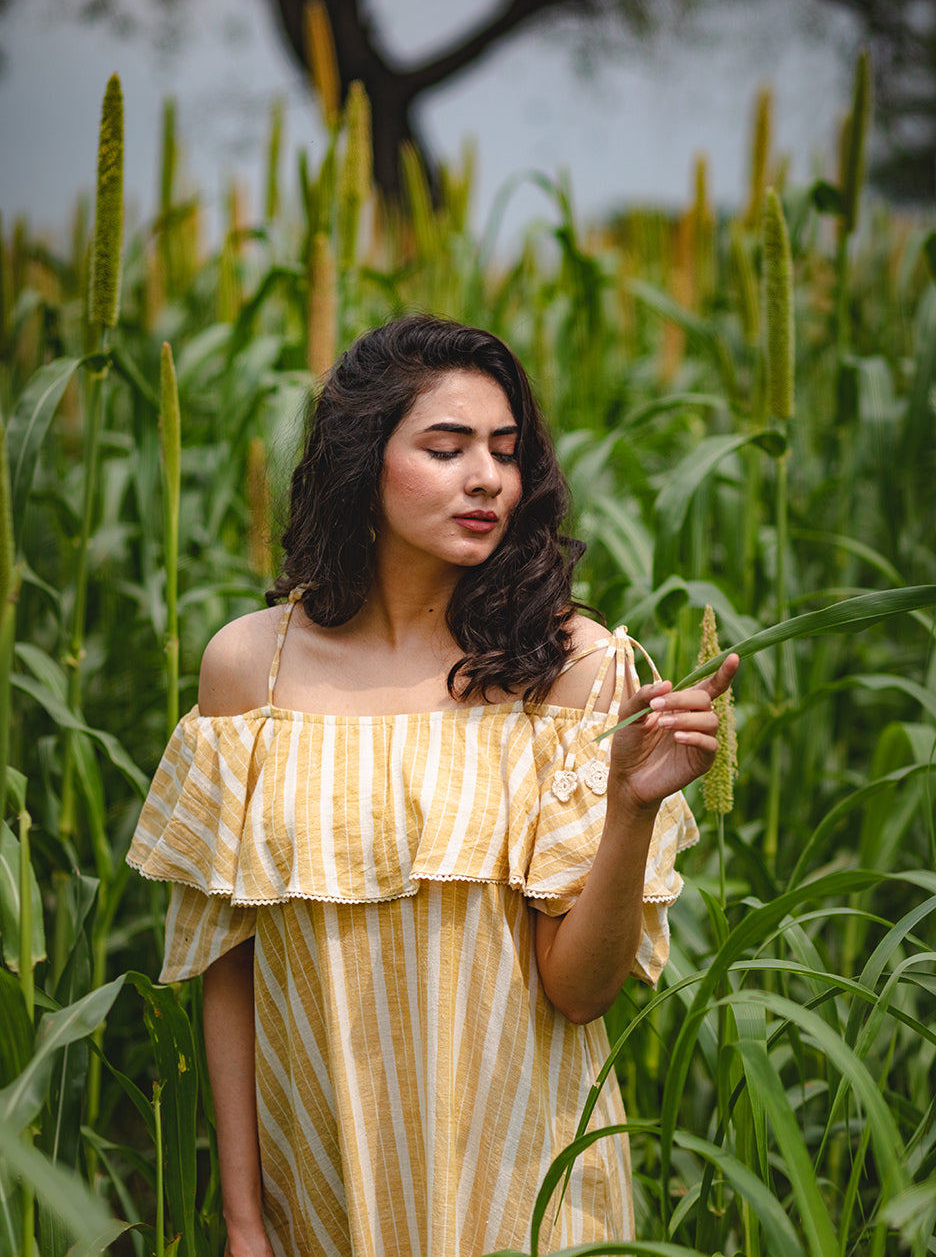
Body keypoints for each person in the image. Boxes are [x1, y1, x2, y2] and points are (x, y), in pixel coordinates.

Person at [128, 315, 738, 1257]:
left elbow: (579, 993)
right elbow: (229, 969)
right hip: (319, 1192)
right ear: (360, 462)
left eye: (506, 450)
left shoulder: (573, 670)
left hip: (525, 1192)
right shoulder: (251, 672)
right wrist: (244, 1219)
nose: (486, 476)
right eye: (447, 449)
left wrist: (630, 809)